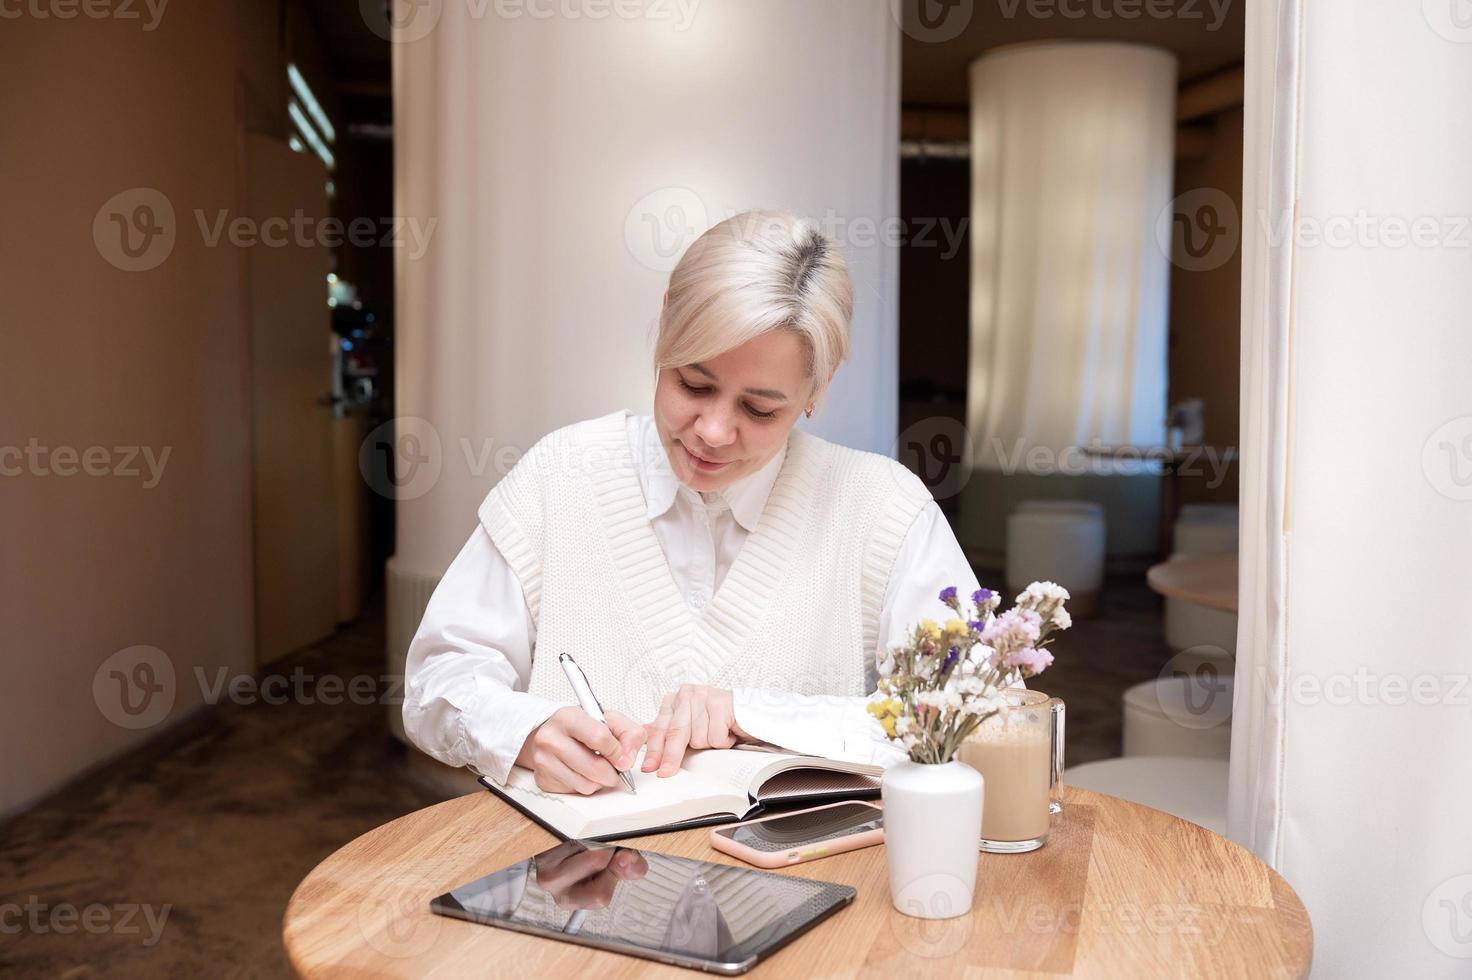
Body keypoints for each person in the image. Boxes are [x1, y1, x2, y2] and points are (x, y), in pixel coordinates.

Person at [403, 209, 979, 795]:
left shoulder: (881, 508)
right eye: (693, 385)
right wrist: (524, 730)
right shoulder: (562, 475)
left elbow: (966, 709)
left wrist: (755, 717)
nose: (713, 431)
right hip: (576, 876)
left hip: (808, 879)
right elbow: (436, 681)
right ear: (665, 326)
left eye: (759, 409)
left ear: (820, 386)